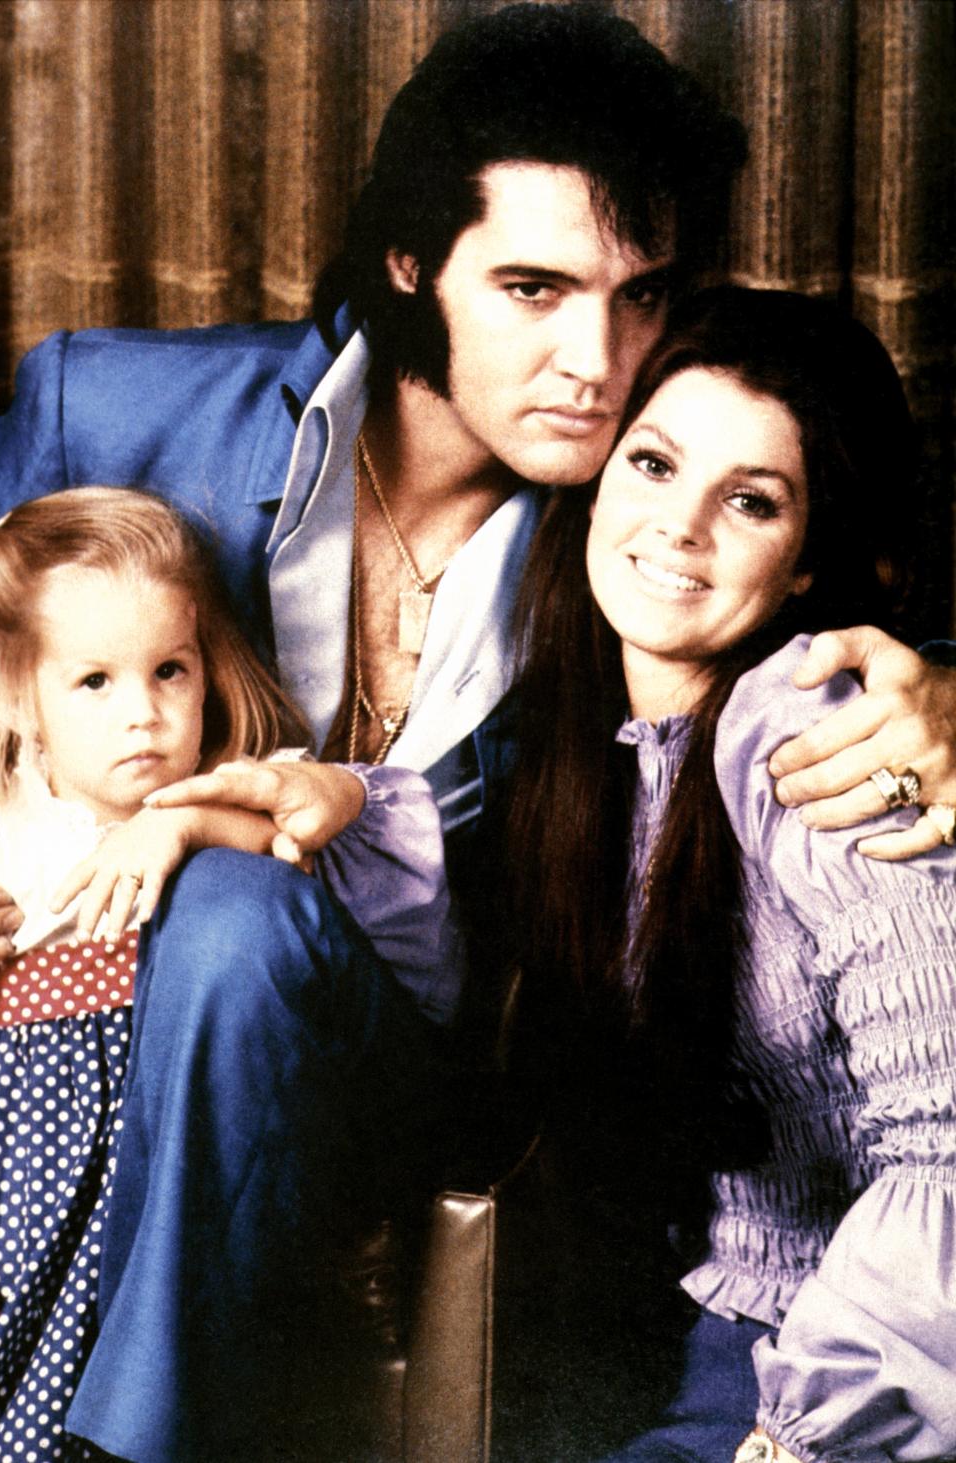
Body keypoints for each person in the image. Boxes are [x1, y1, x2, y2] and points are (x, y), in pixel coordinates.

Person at [0, 3, 953, 1457]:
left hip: (406, 1075)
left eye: (640, 297)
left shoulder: (638, 519)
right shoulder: (109, 407)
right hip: (71, 1006)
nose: (599, 357)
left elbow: (849, 594)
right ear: (408, 261)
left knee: (244, 907)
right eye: (533, 288)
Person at [504, 286, 956, 1463]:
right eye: (653, 464)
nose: (679, 527)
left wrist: (806, 1434)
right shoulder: (588, 738)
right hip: (697, 1332)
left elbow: (949, 1147)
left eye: (750, 501)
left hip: (859, 1374)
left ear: (809, 563)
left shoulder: (819, 730)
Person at [0, 487, 455, 1462]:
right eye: (95, 683)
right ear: (18, 694)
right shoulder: (11, 832)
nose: (145, 716)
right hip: (27, 1164)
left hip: (144, 1161)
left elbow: (272, 850)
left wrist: (182, 821)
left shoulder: (227, 795)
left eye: (171, 670)